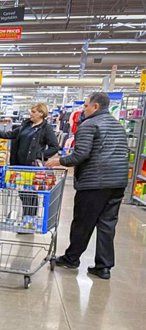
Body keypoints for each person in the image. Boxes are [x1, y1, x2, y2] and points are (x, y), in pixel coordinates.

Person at [45, 91, 129, 280]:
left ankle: (71, 259)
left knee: (83, 222)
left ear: (95, 107)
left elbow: (80, 155)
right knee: (107, 224)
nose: (83, 109)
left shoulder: (88, 125)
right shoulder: (118, 125)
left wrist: (58, 161)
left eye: (85, 105)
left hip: (95, 182)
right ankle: (103, 267)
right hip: (117, 183)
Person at [0, 103, 59, 220]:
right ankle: (27, 218)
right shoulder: (25, 125)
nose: (31, 113)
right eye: (31, 111)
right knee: (22, 193)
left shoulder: (46, 128)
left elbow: (54, 147)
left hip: (31, 167)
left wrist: (40, 155)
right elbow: (9, 135)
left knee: (30, 194)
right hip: (19, 165)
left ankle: (29, 220)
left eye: (34, 111)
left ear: (41, 113)